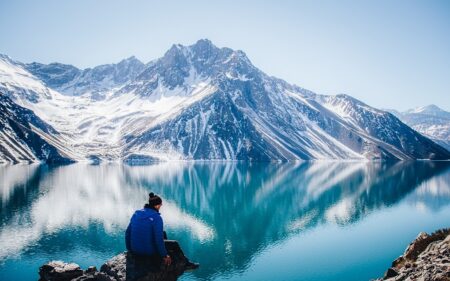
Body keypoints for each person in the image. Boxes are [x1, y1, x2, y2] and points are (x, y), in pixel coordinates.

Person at [125, 192, 199, 270]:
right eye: (161, 205)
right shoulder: (157, 218)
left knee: (163, 233)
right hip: (147, 252)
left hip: (134, 250)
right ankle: (186, 264)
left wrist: (130, 249)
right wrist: (164, 255)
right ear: (157, 206)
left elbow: (127, 233)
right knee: (174, 244)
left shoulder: (136, 214)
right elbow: (158, 240)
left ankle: (164, 253)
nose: (161, 206)